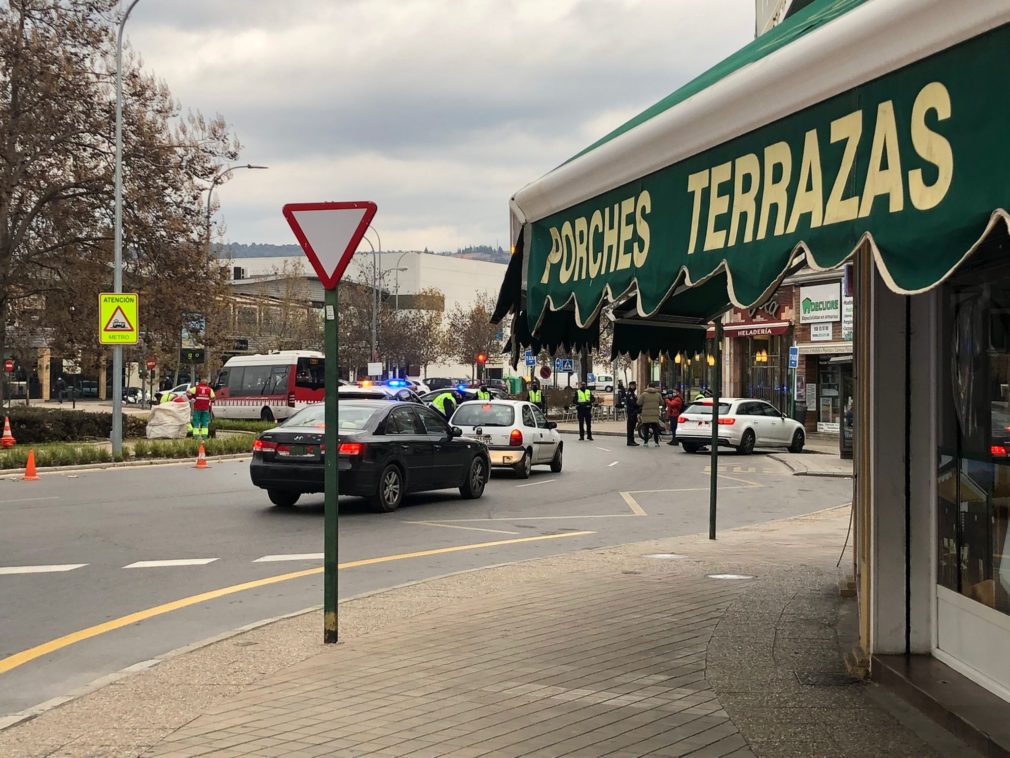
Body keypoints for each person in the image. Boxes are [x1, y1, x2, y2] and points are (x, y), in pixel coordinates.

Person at [639, 382, 664, 447]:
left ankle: (646, 442)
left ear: (648, 386)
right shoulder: (658, 394)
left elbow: (639, 403)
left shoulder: (644, 394)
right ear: (654, 387)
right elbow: (662, 402)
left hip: (646, 414)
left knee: (646, 429)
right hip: (655, 414)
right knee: (655, 428)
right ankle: (656, 443)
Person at [625, 381, 640, 446]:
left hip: (634, 413)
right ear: (631, 386)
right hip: (631, 413)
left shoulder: (633, 394)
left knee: (632, 427)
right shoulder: (630, 394)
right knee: (630, 427)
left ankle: (632, 440)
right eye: (634, 386)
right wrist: (637, 408)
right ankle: (629, 441)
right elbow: (632, 404)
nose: (635, 387)